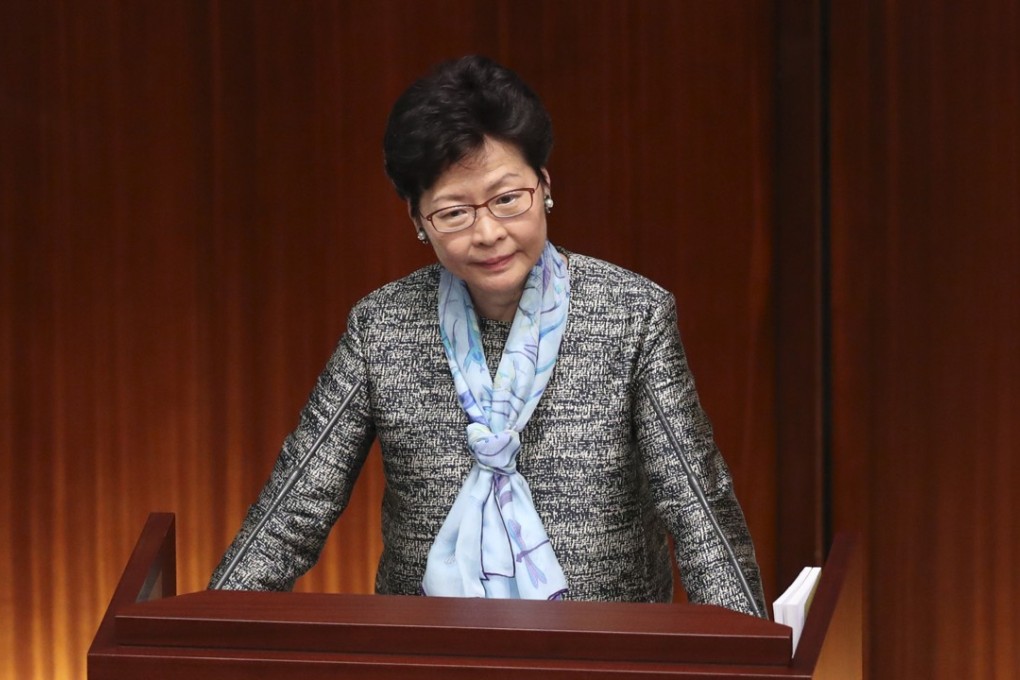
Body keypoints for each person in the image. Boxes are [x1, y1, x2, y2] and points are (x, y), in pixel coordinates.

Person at [210, 55, 766, 617]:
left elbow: (699, 509)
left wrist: (750, 653)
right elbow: (294, 507)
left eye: (507, 198)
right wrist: (203, 634)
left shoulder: (632, 314)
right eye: (454, 211)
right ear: (417, 220)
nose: (488, 233)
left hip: (603, 651)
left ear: (544, 186)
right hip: (429, 651)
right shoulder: (381, 327)